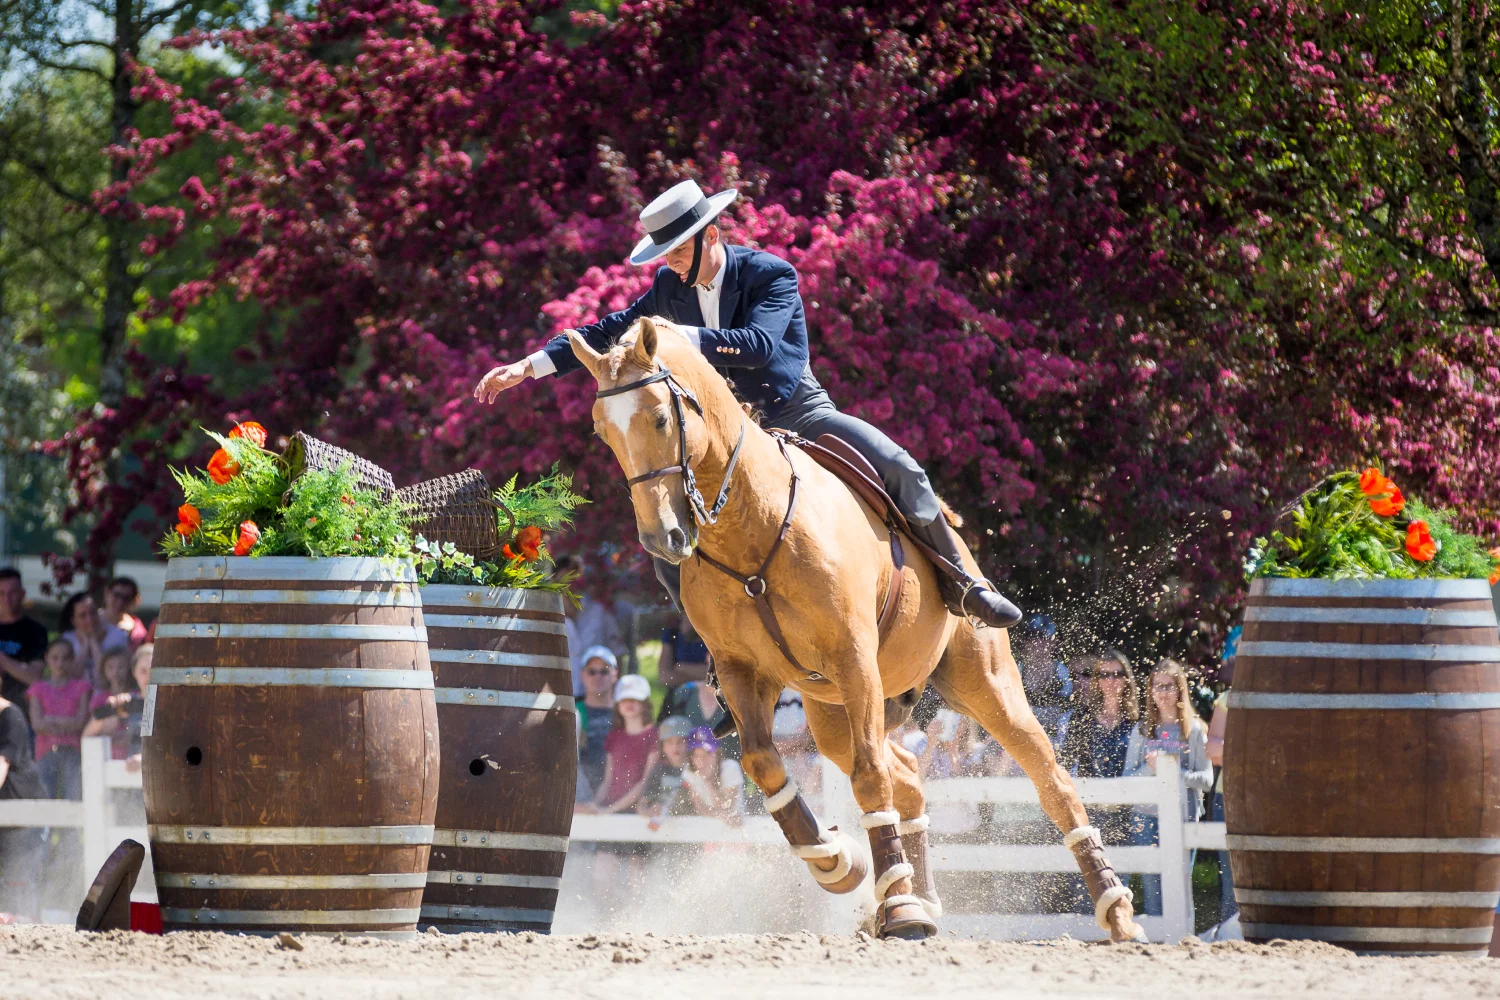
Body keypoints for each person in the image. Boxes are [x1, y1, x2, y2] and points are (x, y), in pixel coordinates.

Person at [474, 178, 1022, 628]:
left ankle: (964, 584)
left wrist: (675, 335)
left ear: (712, 235)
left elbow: (759, 348)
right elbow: (609, 328)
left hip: (797, 414)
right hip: (726, 439)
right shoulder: (671, 289)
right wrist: (530, 366)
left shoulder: (771, 274)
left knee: (901, 467)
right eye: (663, 256)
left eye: (678, 251)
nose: (668, 266)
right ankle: (724, 653)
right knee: (662, 531)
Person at [1124, 658, 1214, 916]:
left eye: (1168, 686)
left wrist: (1174, 771)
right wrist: (1149, 769)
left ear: (1180, 690)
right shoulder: (1141, 731)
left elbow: (1206, 780)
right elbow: (1127, 779)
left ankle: (1183, 943)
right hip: (1146, 817)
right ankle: (1156, 950)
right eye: (1157, 686)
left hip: (1184, 817)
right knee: (1152, 889)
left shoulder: (1194, 730)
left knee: (1181, 887)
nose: (1162, 693)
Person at [576, 674, 659, 816]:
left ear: (645, 703)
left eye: (634, 699)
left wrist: (610, 810)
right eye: (624, 699)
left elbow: (645, 781)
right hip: (611, 809)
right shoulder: (614, 736)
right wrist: (595, 805)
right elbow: (608, 780)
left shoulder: (654, 735)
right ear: (617, 704)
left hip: (636, 813)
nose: (629, 704)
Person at [26, 639, 91, 800]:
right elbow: (37, 724)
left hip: (74, 750)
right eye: (55, 657)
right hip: (45, 751)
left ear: (72, 659)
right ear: (47, 658)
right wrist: (67, 722)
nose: (60, 663)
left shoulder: (82, 687)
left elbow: (80, 722)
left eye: (65, 658)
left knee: (73, 798)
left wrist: (50, 719)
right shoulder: (38, 688)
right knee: (44, 799)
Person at [0, 691, 46, 920]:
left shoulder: (11, 717)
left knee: (19, 875)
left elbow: (2, 764)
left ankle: (26, 917)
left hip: (22, 807)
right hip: (5, 809)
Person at [553, 556, 626, 697]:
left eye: (572, 579)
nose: (567, 586)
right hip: (560, 696)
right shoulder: (548, 615)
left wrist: (614, 692)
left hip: (596, 697)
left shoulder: (599, 612)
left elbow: (618, 653)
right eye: (562, 581)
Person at [1206, 626, 1240, 924]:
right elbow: (1213, 750)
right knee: (1230, 874)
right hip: (1226, 797)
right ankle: (1230, 930)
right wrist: (1247, 752)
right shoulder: (1227, 699)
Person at [0, 567, 48, 730]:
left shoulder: (35, 631)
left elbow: (34, 676)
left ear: (22, 593)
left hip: (23, 716)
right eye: (1, 593)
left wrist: (2, 659)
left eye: (12, 592)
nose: (7, 599)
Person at [1013, 615, 1072, 745]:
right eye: (1032, 638)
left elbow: (1066, 713)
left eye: (1043, 638)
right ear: (1025, 643)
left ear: (1053, 642)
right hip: (1021, 737)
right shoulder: (1017, 672)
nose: (1038, 644)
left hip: (1054, 738)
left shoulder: (1062, 673)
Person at [573, 645, 619, 802]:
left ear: (615, 675)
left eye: (604, 671)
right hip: (581, 801)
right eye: (592, 671)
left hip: (618, 801)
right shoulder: (573, 714)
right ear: (582, 675)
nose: (598, 676)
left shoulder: (627, 712)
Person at [59, 592, 128, 689]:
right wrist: (85, 645)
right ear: (73, 620)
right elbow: (70, 676)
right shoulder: (66, 640)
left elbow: (107, 676)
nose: (90, 619)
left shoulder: (118, 636)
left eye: (92, 613)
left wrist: (94, 643)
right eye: (83, 616)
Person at [636, 714, 695, 827]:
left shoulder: (696, 769)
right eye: (669, 742)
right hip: (663, 834)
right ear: (662, 746)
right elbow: (641, 805)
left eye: (681, 741)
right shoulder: (659, 771)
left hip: (692, 830)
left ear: (690, 743)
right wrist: (649, 812)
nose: (675, 747)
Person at [83, 647, 141, 760]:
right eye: (110, 667)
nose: (115, 671)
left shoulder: (137, 696)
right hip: (106, 754)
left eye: (121, 667)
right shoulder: (99, 699)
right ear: (103, 670)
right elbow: (93, 729)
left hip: (132, 754)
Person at [682, 726, 745, 822]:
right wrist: (721, 815)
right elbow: (700, 809)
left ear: (717, 753)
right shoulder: (689, 772)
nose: (702, 760)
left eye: (707, 753)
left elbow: (727, 807)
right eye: (696, 755)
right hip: (709, 827)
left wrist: (709, 782)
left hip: (739, 830)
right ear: (691, 757)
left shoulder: (730, 767)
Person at [657, 613, 710, 695]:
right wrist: (702, 675)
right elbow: (664, 677)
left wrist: (682, 668)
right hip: (681, 699)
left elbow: (720, 675)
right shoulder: (672, 633)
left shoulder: (714, 633)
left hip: (711, 696)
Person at [102, 577, 149, 648]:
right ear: (106, 593)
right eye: (117, 595)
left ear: (133, 601)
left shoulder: (137, 631)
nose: (120, 602)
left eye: (126, 598)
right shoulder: (89, 619)